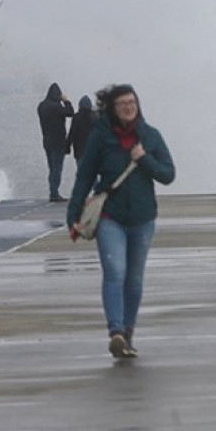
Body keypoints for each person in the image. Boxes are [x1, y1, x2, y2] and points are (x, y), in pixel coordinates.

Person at [66, 84, 174, 358]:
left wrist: (144, 159)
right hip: (109, 216)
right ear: (112, 109)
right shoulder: (101, 138)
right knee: (115, 272)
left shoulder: (150, 137)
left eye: (132, 102)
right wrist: (73, 216)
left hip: (142, 217)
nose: (128, 107)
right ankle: (115, 330)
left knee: (134, 279)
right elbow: (84, 177)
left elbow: (168, 174)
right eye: (122, 103)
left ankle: (127, 334)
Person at [37, 83, 74, 202]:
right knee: (57, 168)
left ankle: (52, 191)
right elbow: (70, 112)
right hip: (59, 142)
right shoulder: (57, 107)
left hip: (47, 141)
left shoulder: (41, 106)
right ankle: (54, 194)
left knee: (52, 168)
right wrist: (66, 101)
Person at [65, 94, 97, 162]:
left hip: (79, 151)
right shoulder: (96, 117)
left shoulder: (76, 117)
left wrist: (67, 147)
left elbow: (72, 133)